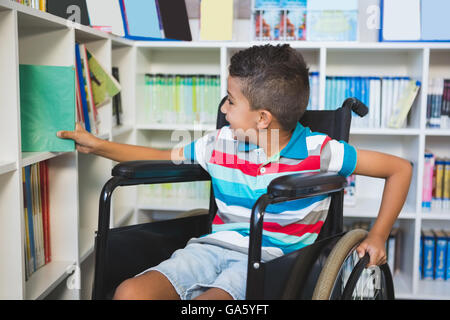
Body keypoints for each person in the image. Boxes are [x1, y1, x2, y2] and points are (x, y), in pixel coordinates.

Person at [57, 44, 412, 300]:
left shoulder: (319, 150)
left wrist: (378, 236)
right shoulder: (221, 142)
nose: (224, 108)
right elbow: (161, 155)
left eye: (230, 99)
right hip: (211, 248)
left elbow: (399, 169)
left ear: (261, 118)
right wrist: (98, 146)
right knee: (130, 292)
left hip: (272, 258)